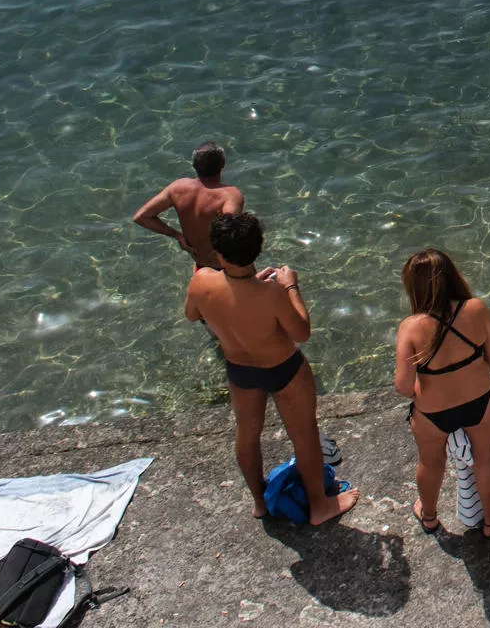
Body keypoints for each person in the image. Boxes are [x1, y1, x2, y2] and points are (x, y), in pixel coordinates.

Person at [184, 212, 357, 525]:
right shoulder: (272, 293)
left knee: (247, 435)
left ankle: (259, 503)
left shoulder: (201, 281)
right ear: (257, 249)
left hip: (239, 369)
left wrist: (244, 290)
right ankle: (320, 506)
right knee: (304, 434)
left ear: (218, 252)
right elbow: (301, 332)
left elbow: (193, 313)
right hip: (283, 369)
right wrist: (291, 287)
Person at [394, 249, 490, 536]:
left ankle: (429, 517)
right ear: (452, 276)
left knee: (430, 463)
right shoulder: (476, 308)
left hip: (434, 412)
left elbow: (404, 386)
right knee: (485, 459)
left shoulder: (410, 328)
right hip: (481, 399)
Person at [133, 141, 244, 269]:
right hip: (230, 270)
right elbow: (231, 231)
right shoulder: (230, 195)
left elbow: (141, 217)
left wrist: (177, 235)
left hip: (201, 266)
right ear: (222, 164)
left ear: (194, 165)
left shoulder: (178, 188)